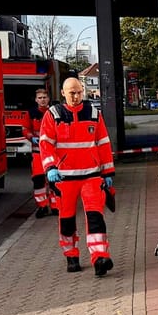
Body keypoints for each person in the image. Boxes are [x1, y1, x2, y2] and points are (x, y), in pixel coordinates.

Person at [39, 77, 115, 277]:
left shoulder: (93, 113)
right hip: (64, 178)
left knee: (95, 217)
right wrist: (50, 168)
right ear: (63, 93)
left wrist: (107, 173)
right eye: (71, 92)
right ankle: (71, 256)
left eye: (79, 92)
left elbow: (104, 143)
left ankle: (100, 257)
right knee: (67, 220)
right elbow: (45, 143)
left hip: (91, 175)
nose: (76, 96)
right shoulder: (53, 115)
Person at [28, 88, 58, 218]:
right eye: (39, 98)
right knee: (39, 181)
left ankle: (56, 206)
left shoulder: (54, 112)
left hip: (53, 152)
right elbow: (25, 129)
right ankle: (42, 206)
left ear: (48, 99)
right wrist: (30, 137)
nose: (42, 100)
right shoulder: (31, 113)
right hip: (37, 153)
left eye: (44, 97)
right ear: (36, 100)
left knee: (54, 181)